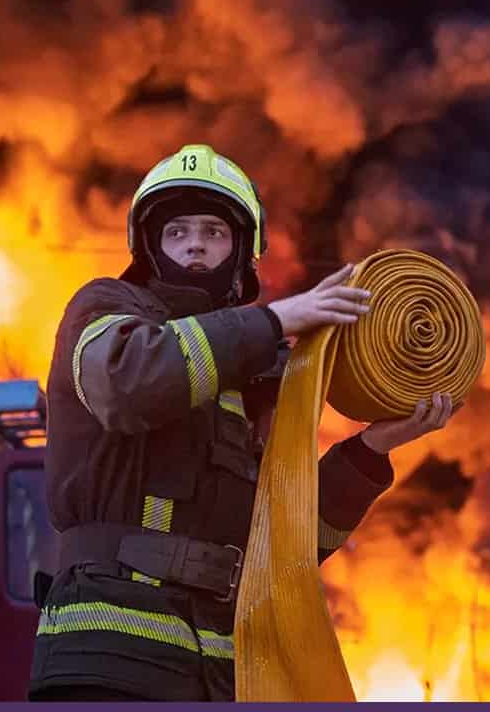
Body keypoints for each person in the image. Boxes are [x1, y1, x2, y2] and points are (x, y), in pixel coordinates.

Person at [28, 143, 458, 701]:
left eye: (214, 232)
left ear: (242, 252)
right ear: (149, 248)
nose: (196, 247)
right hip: (109, 661)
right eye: (177, 233)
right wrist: (275, 320)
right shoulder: (106, 310)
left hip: (223, 672)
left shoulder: (257, 379)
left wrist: (373, 448)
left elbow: (286, 543)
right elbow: (130, 385)